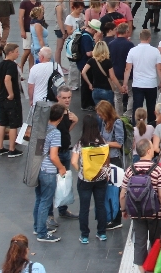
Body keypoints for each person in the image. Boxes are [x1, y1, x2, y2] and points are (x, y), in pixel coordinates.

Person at [120, 139, 161, 267]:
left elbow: (122, 194)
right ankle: (154, 268)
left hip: (137, 213)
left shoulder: (130, 170)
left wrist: (123, 210)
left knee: (140, 243)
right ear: (149, 151)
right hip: (156, 214)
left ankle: (141, 270)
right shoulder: (158, 170)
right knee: (156, 243)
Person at [72, 114, 110, 243]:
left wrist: (80, 171)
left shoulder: (80, 144)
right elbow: (106, 161)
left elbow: (73, 162)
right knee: (100, 206)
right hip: (100, 178)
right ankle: (102, 233)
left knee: (84, 207)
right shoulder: (103, 142)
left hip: (85, 179)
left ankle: (84, 235)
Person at [33, 104, 67, 242]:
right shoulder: (55, 133)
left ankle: (37, 227)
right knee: (46, 202)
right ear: (60, 118)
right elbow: (53, 156)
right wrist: (61, 168)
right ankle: (42, 233)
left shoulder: (41, 128)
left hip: (38, 169)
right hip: (48, 171)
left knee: (39, 199)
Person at [124, 29, 161, 118]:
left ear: (139, 37)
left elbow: (128, 69)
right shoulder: (155, 51)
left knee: (137, 108)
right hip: (151, 84)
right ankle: (151, 126)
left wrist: (125, 84)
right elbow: (160, 68)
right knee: (151, 108)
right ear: (149, 38)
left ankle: (136, 127)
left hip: (137, 84)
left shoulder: (132, 50)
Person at [0, 43, 24, 158]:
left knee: (2, 123)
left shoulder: (0, 65)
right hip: (11, 100)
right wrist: (11, 94)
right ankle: (12, 149)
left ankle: (0, 148)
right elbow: (7, 79)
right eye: (17, 51)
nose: (18, 53)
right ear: (10, 52)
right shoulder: (11, 66)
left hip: (2, 98)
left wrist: (0, 93)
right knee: (13, 124)